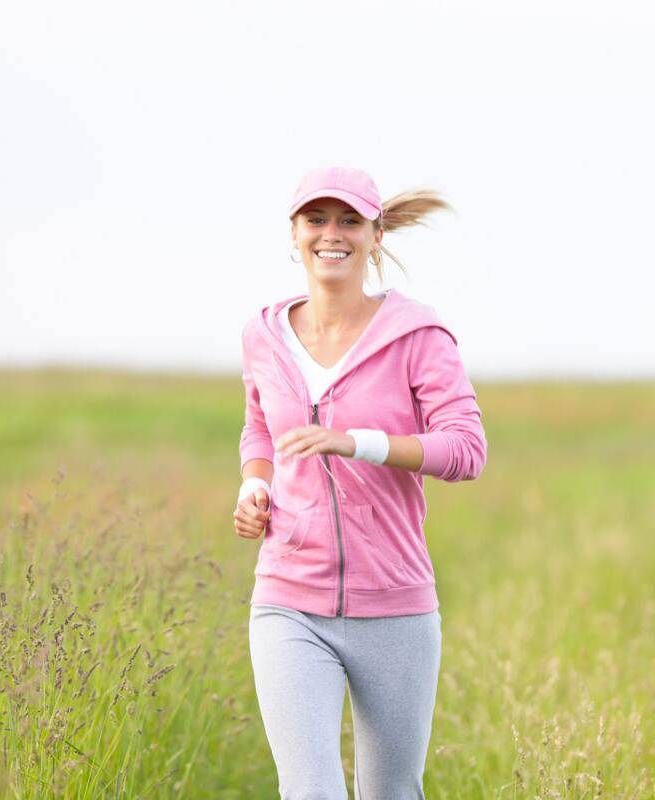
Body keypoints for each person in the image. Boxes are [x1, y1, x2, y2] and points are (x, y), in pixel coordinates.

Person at [232, 166, 486, 799]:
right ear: (293, 235)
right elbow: (259, 429)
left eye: (348, 220)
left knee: (391, 792)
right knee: (310, 792)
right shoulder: (263, 335)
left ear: (376, 234)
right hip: (289, 599)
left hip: (394, 603)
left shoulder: (418, 337)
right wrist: (253, 488)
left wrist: (357, 443)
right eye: (315, 220)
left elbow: (466, 449)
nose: (331, 235)